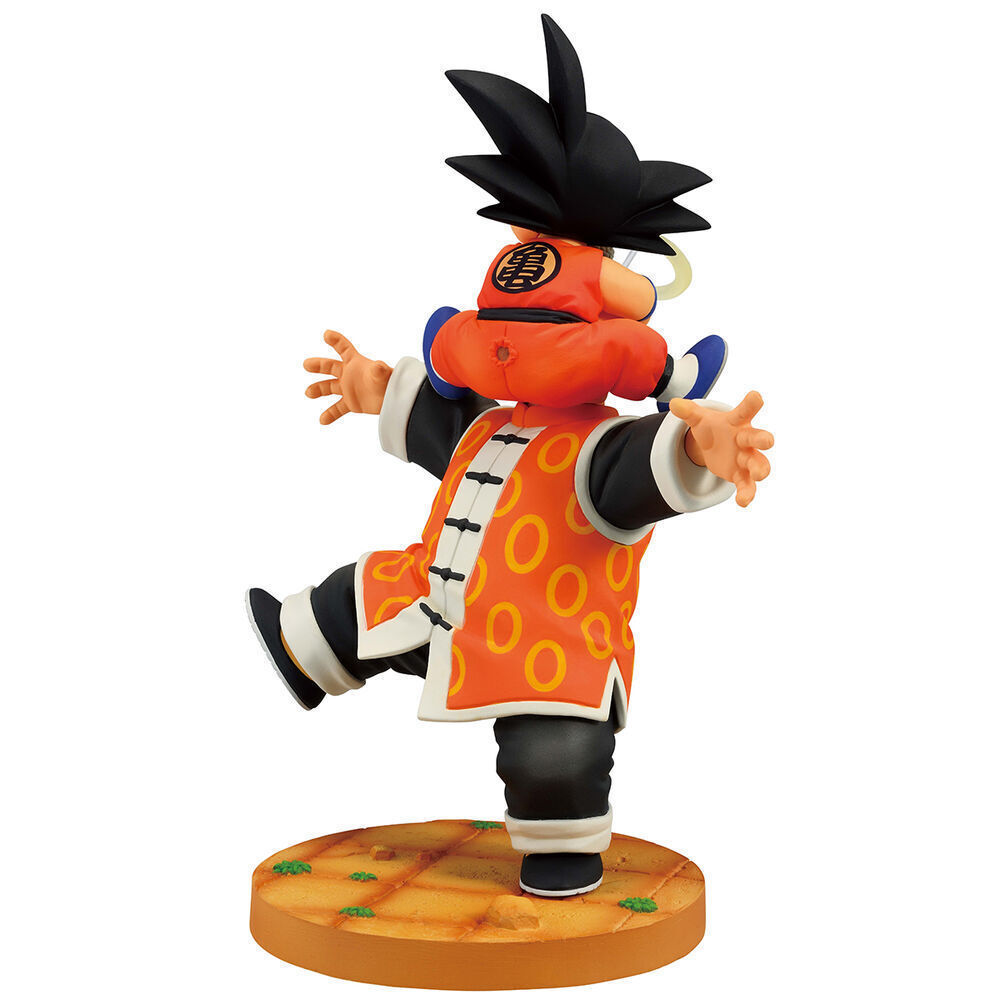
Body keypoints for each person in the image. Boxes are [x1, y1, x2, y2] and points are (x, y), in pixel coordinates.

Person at [246, 15, 774, 897]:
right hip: (435, 596)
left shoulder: (599, 448)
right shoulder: (491, 424)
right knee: (352, 599)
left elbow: (649, 468)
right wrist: (377, 386)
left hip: (544, 642)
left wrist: (702, 444)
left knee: (554, 752)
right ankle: (298, 653)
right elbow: (442, 431)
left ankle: (561, 849)